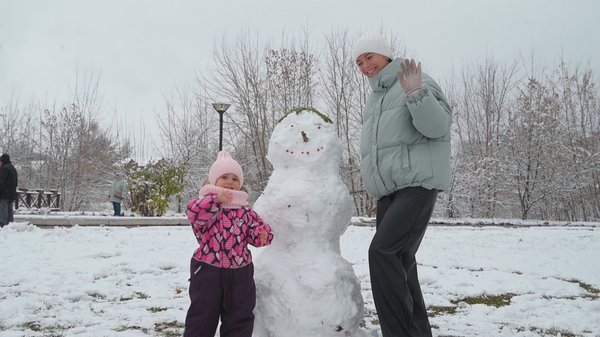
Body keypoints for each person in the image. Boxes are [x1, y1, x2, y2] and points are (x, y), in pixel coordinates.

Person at [352, 34, 452, 337]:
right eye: (359, 62)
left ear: (384, 55)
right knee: (401, 261)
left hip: (416, 185)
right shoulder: (375, 99)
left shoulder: (415, 81)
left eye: (369, 57)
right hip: (390, 192)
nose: (365, 65)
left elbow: (437, 128)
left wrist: (417, 94)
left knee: (382, 253)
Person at [184, 150, 274, 337]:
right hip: (208, 270)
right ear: (213, 181)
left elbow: (256, 230)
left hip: (240, 271)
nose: (230, 181)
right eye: (224, 177)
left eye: (235, 178)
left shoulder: (245, 210)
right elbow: (194, 213)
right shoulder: (204, 204)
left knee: (239, 316)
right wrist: (216, 200)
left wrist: (262, 235)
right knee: (202, 316)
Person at [0, 154, 18, 228]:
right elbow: (16, 182)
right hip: (11, 193)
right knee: (9, 209)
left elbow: (1, 181)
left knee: (2, 209)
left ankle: (3, 224)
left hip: (4, 193)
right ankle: (10, 224)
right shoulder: (13, 168)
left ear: (3, 161)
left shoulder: (4, 169)